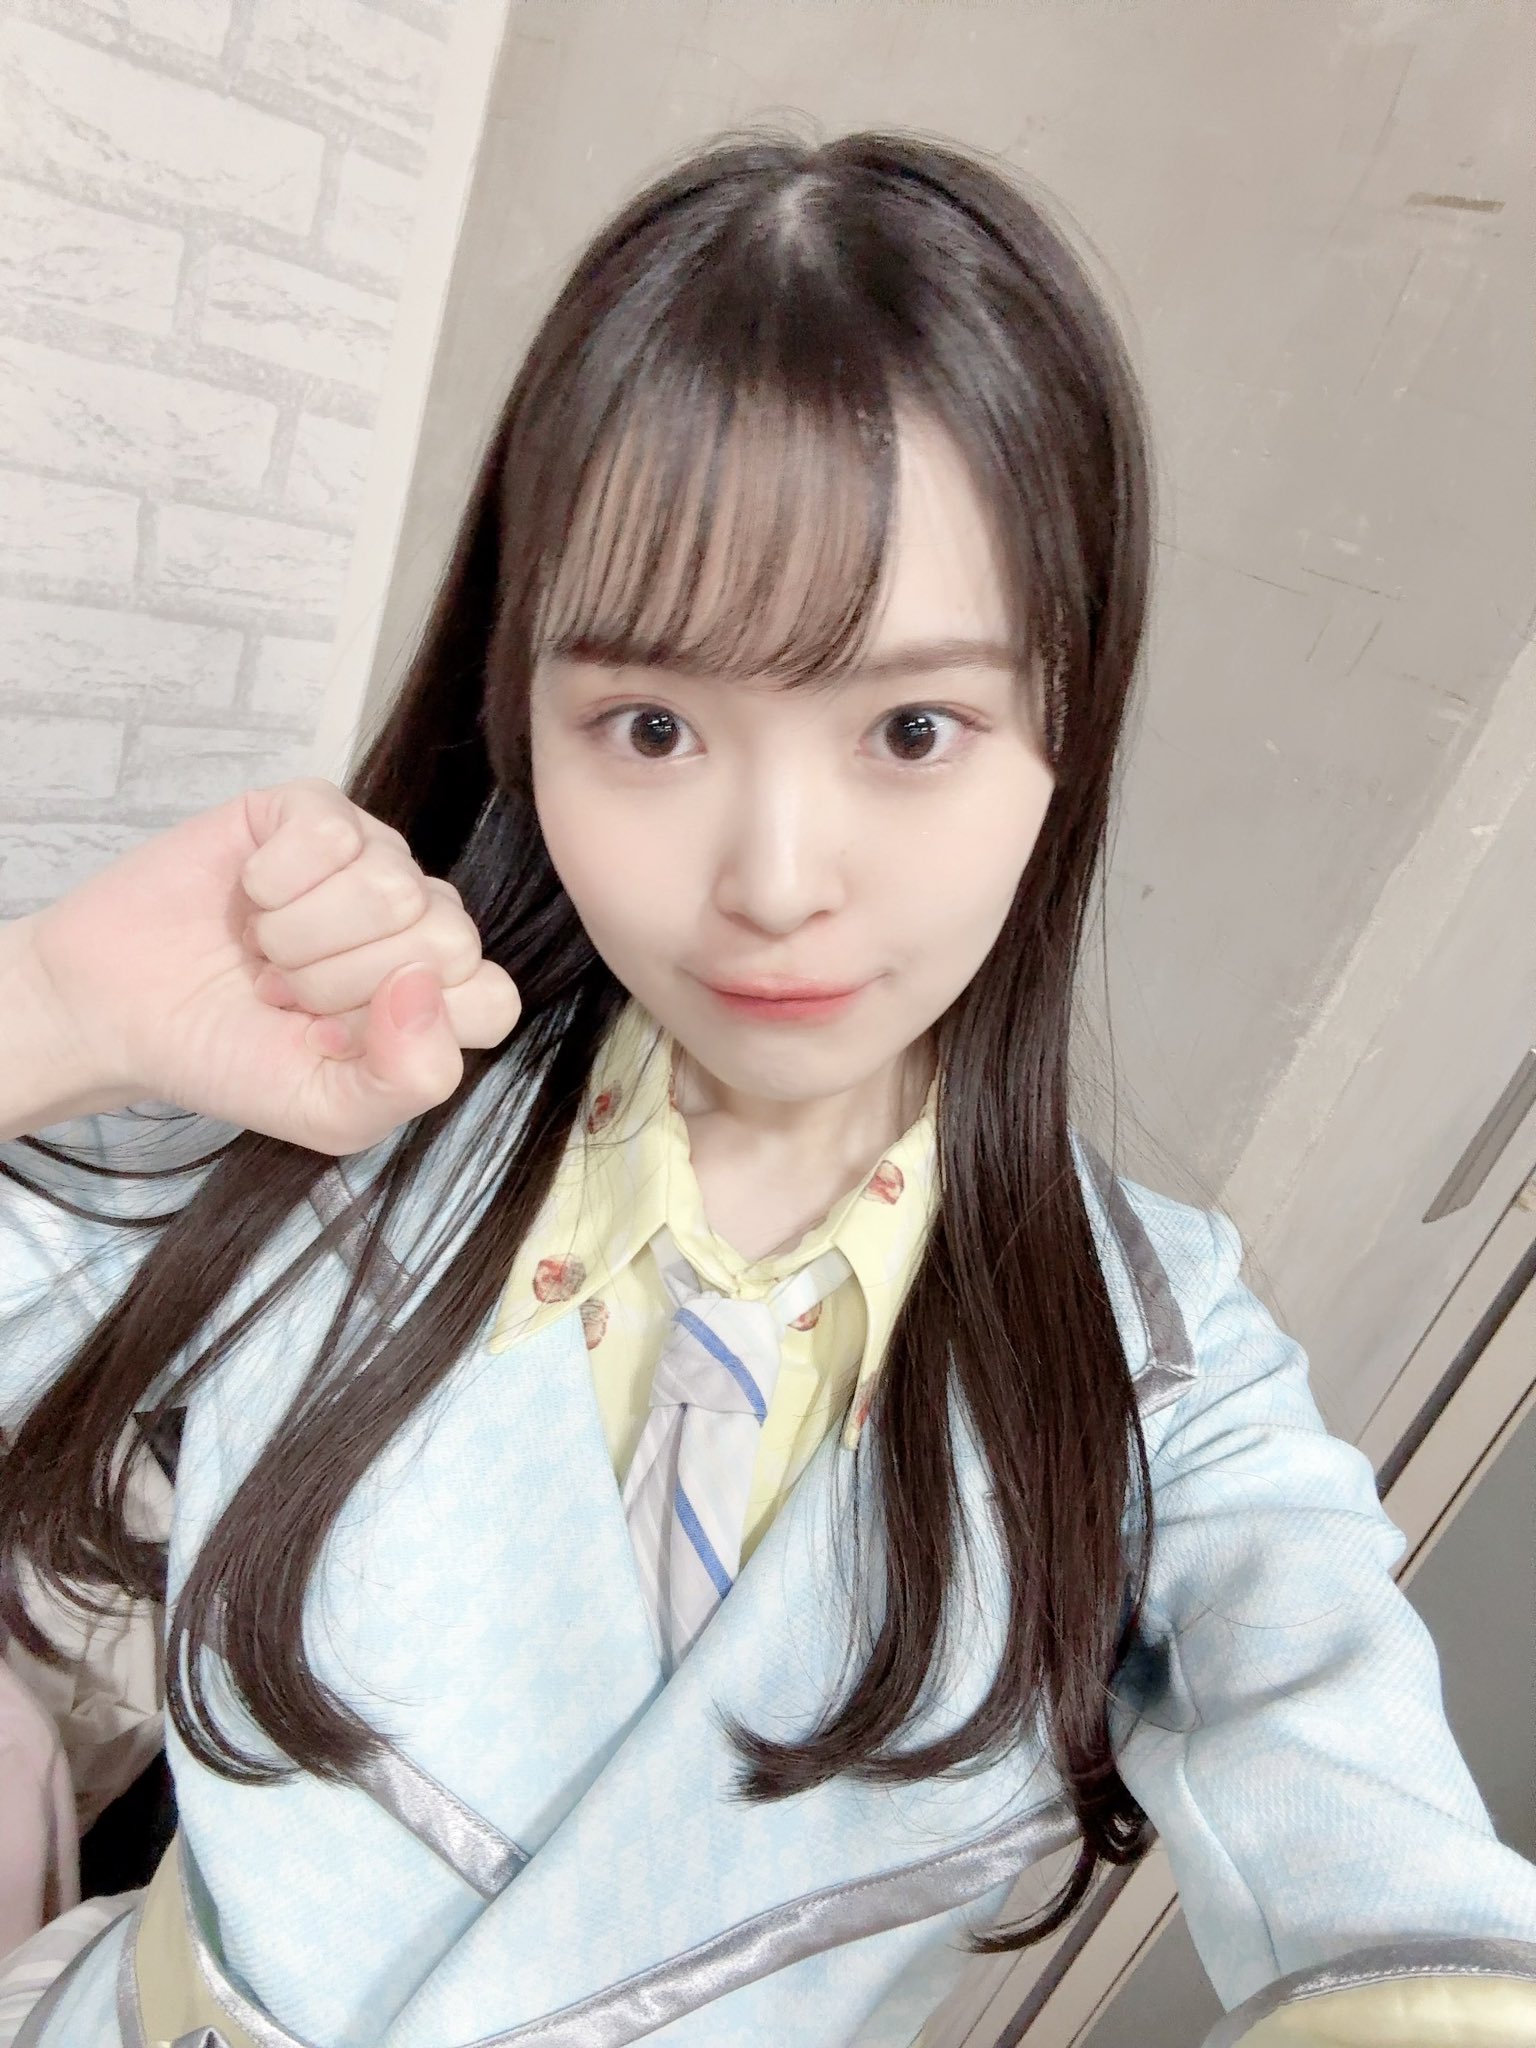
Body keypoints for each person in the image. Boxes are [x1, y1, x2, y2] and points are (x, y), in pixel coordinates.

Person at [0, 127, 1533, 2048]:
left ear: (1064, 731)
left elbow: (1370, 1830)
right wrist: (50, 1009)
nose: (778, 879)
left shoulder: (1154, 1370)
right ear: (521, 717)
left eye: (913, 726)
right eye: (653, 726)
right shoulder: (339, 1131)